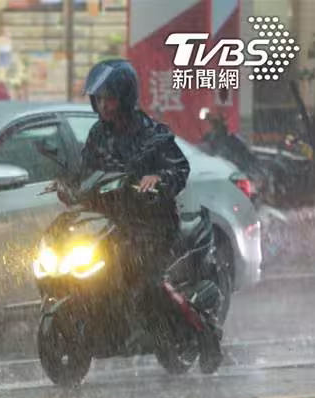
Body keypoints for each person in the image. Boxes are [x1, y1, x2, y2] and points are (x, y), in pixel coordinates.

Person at [66, 58, 221, 369]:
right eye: (98, 99)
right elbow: (85, 171)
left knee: (148, 284)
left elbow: (179, 168)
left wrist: (159, 179)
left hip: (153, 225)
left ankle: (202, 331)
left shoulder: (152, 133)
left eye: (109, 98)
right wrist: (67, 185)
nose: (103, 105)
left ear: (125, 98)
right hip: (113, 224)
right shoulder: (98, 134)